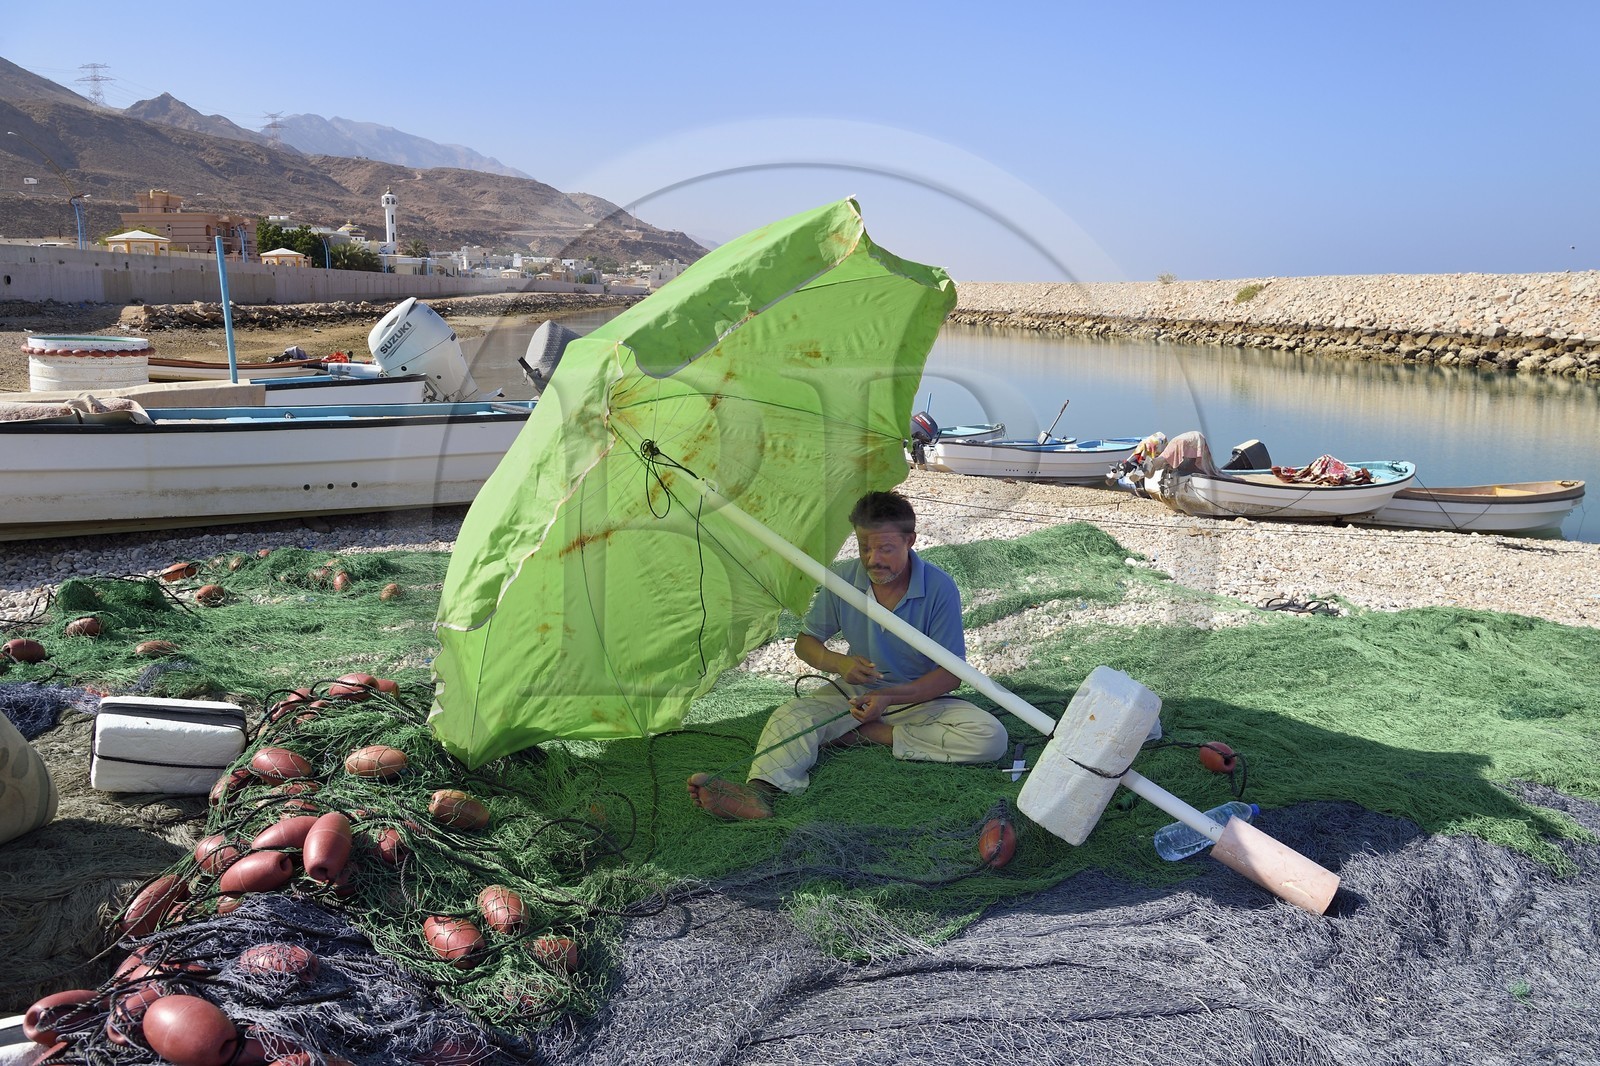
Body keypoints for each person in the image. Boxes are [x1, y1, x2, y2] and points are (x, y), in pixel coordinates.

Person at [687, 490, 1009, 820]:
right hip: (856, 697)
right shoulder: (843, 580)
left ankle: (867, 734)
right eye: (864, 547)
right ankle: (759, 792)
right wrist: (838, 663)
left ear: (910, 540)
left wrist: (887, 699)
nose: (873, 560)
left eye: (885, 548)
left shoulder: (939, 588)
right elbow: (806, 643)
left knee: (991, 737)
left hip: (918, 697)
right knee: (790, 715)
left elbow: (950, 675)